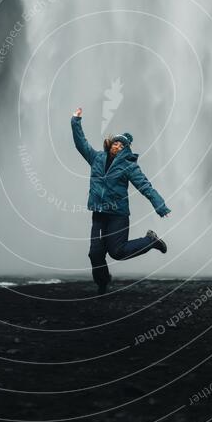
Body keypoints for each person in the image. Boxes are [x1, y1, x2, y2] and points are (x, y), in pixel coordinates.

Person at [71, 107, 171, 294]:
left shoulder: (129, 167)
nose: (118, 146)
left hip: (118, 215)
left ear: (126, 150)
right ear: (110, 144)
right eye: (116, 143)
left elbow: (145, 186)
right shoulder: (96, 158)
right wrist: (75, 121)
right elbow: (81, 144)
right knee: (95, 253)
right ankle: (102, 283)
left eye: (122, 146)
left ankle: (150, 241)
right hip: (99, 214)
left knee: (117, 252)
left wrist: (160, 205)